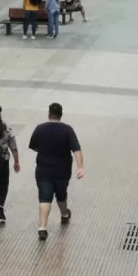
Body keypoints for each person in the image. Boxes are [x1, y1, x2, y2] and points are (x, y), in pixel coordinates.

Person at [27, 102, 83, 241]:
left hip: (43, 169)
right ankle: (64, 215)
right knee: (61, 194)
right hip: (62, 170)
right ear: (61, 115)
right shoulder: (67, 130)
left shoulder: (40, 128)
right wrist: (80, 167)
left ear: (49, 114)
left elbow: (33, 146)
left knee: (45, 197)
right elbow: (76, 149)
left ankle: (42, 227)